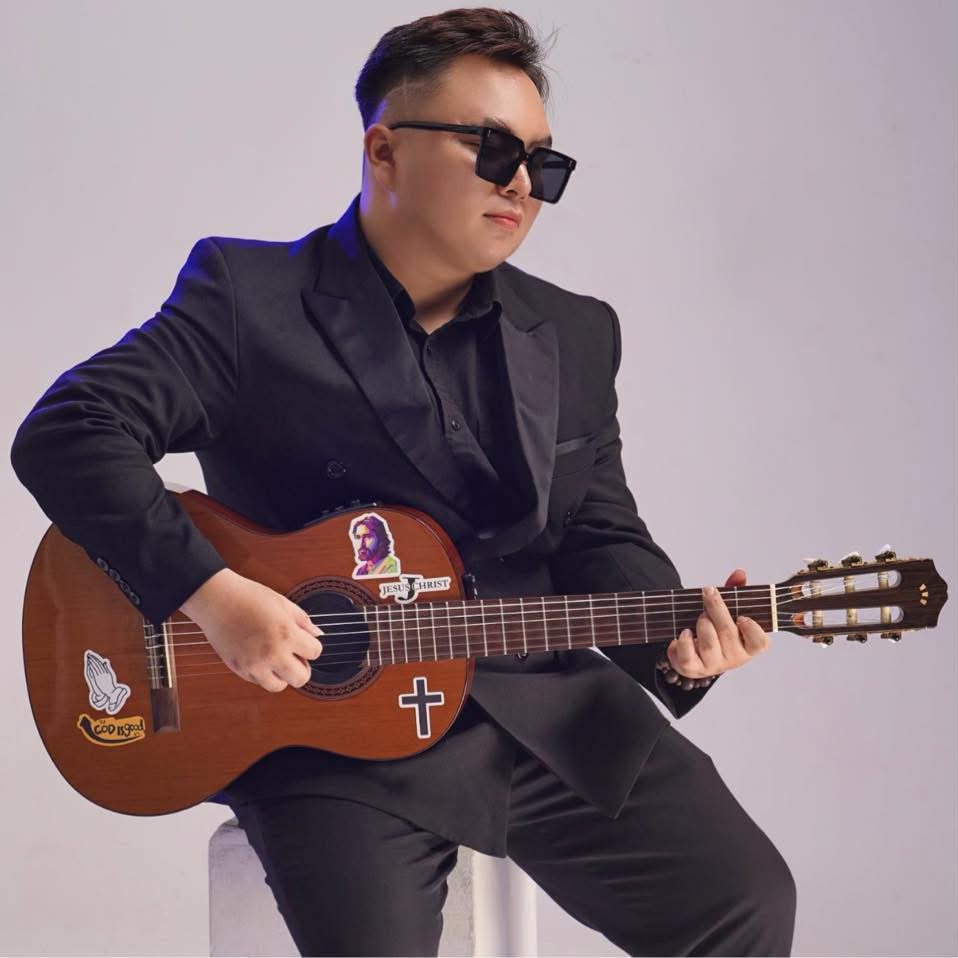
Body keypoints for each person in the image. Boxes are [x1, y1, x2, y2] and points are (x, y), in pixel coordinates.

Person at [10, 7, 796, 956]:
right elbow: (71, 429)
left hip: (544, 708)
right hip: (327, 737)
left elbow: (596, 531)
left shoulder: (577, 332)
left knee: (747, 902)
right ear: (384, 150)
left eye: (543, 164)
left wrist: (680, 646)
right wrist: (212, 596)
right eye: (492, 148)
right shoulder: (249, 299)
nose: (521, 185)